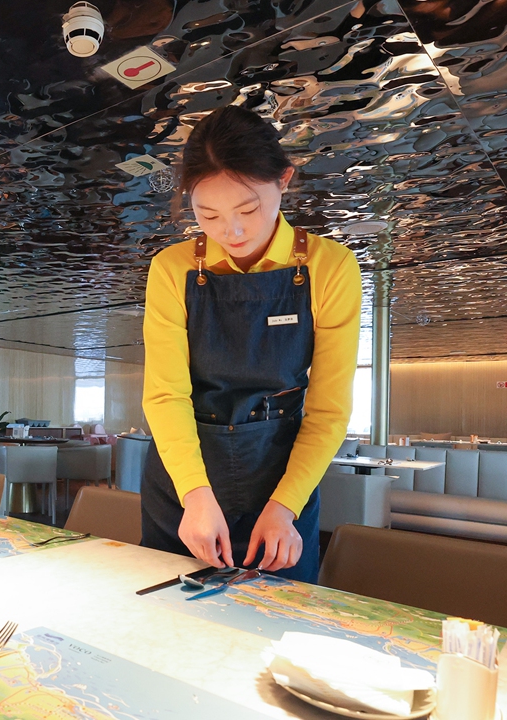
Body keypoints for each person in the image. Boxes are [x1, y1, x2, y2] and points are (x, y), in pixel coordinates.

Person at [141, 105, 361, 582]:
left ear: (284, 180)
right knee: (169, 609)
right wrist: (195, 495)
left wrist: (285, 506)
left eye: (248, 209)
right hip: (185, 479)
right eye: (208, 214)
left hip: (281, 479)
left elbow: (328, 410)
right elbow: (166, 395)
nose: (231, 231)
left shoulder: (330, 266)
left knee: (282, 612)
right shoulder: (172, 268)